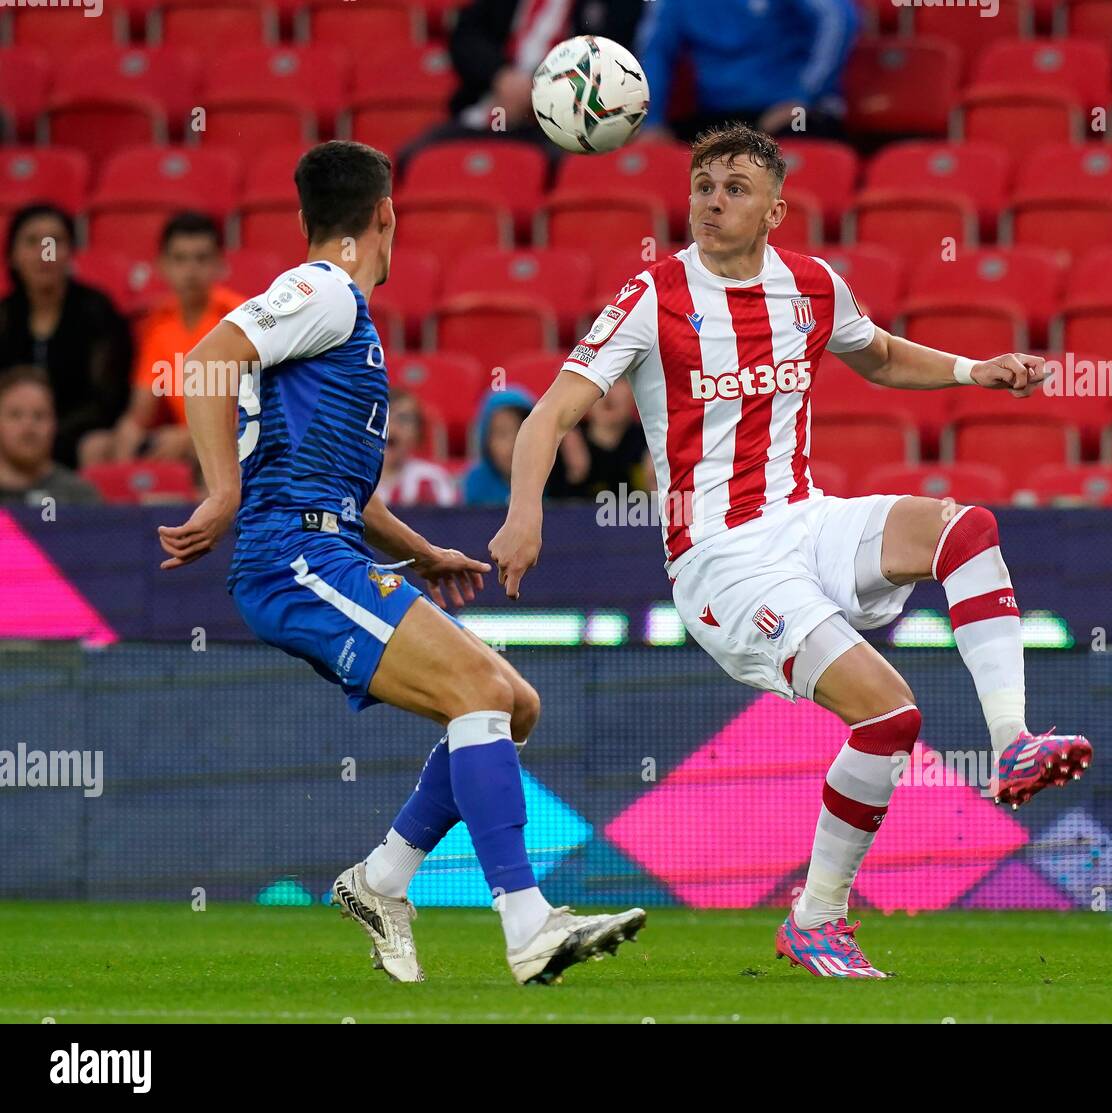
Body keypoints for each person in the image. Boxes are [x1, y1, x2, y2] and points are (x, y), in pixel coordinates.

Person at [490, 124, 1093, 978]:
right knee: (890, 717)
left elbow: (877, 355)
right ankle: (817, 918)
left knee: (968, 528)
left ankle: (1013, 742)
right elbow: (550, 412)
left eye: (734, 187)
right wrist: (525, 515)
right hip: (723, 558)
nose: (711, 200)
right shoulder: (652, 294)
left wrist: (974, 369)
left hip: (806, 519)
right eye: (703, 185)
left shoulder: (812, 286)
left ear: (776, 209)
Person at [156, 140, 644, 985]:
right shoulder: (323, 289)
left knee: (512, 704)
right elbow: (205, 362)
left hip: (327, 543)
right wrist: (222, 493)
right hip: (291, 557)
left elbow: (345, 487)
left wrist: (422, 552)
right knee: (483, 692)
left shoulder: (341, 320)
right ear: (387, 215)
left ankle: (382, 879)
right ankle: (528, 925)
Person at [395, 0, 645, 175]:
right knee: (414, 158)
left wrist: (536, 91)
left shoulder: (617, 5)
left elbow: (612, 64)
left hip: (561, 128)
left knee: (575, 173)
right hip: (488, 110)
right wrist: (500, 76)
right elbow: (466, 36)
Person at [94, 212, 244, 465]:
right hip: (185, 444)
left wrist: (189, 436)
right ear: (162, 265)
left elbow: (255, 410)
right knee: (99, 447)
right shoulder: (159, 324)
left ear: (220, 264)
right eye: (180, 259)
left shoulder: (239, 318)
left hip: (237, 439)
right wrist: (127, 436)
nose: (191, 270)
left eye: (201, 259)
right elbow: (140, 412)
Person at [0, 204, 133, 468]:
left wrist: (47, 432)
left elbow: (108, 399)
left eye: (55, 241)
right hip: (9, 436)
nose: (44, 253)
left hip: (77, 438)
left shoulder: (97, 311)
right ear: (12, 255)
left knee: (98, 445)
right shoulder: (3, 316)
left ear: (71, 252)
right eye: (31, 241)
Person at [634, 0, 859, 143]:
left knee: (802, 145)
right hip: (719, 116)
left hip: (793, 113)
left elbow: (839, 19)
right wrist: (652, 122)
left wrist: (802, 97)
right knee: (656, 160)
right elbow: (655, 53)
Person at [462, 385, 582, 505]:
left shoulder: (555, 477)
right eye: (502, 434)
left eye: (522, 431)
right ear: (486, 442)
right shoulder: (475, 484)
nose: (514, 443)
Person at [0, 366, 100, 506]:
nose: (28, 427)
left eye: (39, 416)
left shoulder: (79, 497)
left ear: (54, 424)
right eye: (15, 415)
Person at [377, 390, 460, 506]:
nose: (392, 426)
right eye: (382, 417)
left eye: (403, 419)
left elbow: (453, 522)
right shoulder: (351, 481)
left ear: (418, 432)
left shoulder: (432, 481)